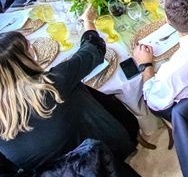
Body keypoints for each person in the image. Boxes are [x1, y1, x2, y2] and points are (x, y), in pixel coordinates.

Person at [0, 9, 139, 173]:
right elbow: (94, 49)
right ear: (22, 61)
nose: (33, 47)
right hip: (97, 159)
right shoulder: (52, 84)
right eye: (28, 46)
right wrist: (88, 21)